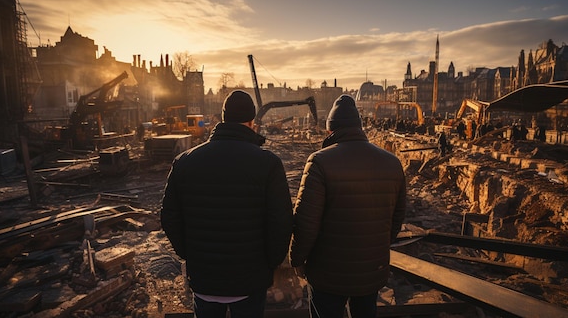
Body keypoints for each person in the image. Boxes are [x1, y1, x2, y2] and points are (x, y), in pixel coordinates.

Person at [161, 90, 293, 318]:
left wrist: (189, 254)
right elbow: (281, 222)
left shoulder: (185, 162)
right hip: (250, 282)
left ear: (222, 119)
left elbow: (169, 216)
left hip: (204, 281)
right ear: (252, 122)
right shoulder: (269, 164)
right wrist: (269, 263)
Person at [289, 94, 407, 318]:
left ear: (330, 130)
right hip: (371, 272)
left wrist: (297, 258)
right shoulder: (392, 163)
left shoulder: (319, 161)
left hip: (327, 273)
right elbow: (397, 217)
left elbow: (306, 221)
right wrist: (376, 248)